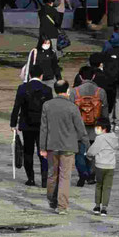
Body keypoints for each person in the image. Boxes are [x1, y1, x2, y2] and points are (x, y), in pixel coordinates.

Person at [38, 79, 90, 211]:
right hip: (68, 146)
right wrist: (87, 144)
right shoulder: (72, 107)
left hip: (51, 145)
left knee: (52, 174)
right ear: (67, 91)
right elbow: (80, 128)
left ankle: (52, 200)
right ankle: (62, 206)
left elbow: (44, 128)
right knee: (65, 177)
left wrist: (42, 147)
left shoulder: (47, 105)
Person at [9, 67, 53, 187]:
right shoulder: (47, 90)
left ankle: (31, 178)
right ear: (41, 76)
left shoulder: (22, 88)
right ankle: (44, 180)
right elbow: (50, 109)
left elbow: (16, 106)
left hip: (27, 124)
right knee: (43, 152)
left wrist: (13, 123)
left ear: (29, 75)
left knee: (28, 152)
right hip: (43, 125)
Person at [71, 67, 105, 185]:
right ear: (94, 76)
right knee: (94, 153)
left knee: (80, 153)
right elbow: (104, 113)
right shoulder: (100, 91)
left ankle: (82, 173)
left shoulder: (74, 92)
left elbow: (71, 112)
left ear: (80, 77)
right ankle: (91, 175)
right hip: (96, 128)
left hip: (79, 128)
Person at [98, 23, 119, 125]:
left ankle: (108, 118)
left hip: (108, 74)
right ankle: (118, 120)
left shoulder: (107, 44)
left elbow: (102, 57)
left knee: (109, 97)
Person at [89, 120, 119, 217]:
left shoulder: (100, 139)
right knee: (107, 187)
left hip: (100, 165)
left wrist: (88, 155)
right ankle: (104, 208)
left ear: (104, 129)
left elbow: (92, 151)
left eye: (98, 128)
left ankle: (97, 206)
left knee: (99, 185)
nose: (96, 130)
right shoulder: (114, 138)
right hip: (110, 165)